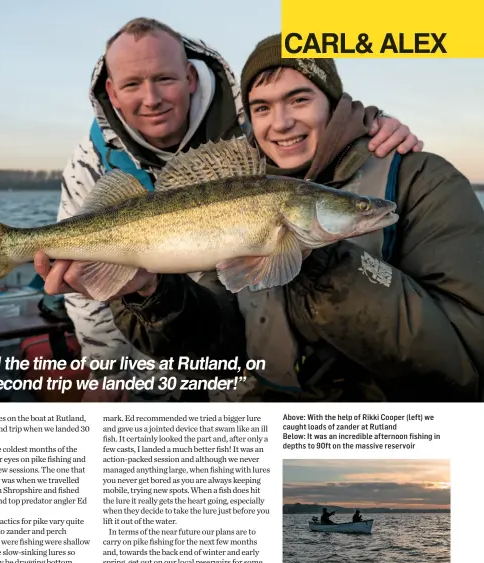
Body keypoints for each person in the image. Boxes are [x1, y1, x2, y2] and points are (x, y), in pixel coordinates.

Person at [35, 20, 422, 399]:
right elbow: (80, 281)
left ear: (189, 77)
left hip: (233, 337)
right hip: (146, 335)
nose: (151, 98)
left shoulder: (253, 121)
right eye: (132, 83)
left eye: (164, 79)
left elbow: (313, 130)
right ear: (112, 91)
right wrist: (107, 371)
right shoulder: (91, 162)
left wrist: (369, 126)